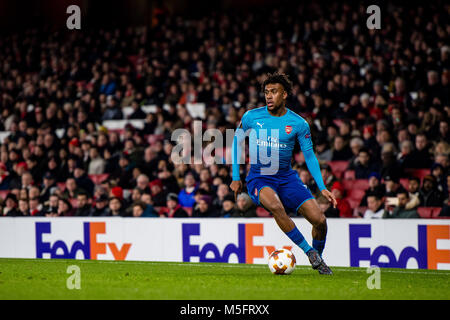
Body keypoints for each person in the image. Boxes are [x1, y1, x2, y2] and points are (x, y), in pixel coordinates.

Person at [230, 72, 336, 275]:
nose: (269, 96)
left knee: (320, 221)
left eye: (274, 92)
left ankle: (318, 261)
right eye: (266, 92)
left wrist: (322, 187)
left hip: (287, 178)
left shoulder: (298, 123)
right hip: (259, 177)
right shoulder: (251, 117)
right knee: (276, 206)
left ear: (285, 94)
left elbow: (310, 157)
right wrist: (236, 177)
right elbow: (236, 142)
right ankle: (309, 252)